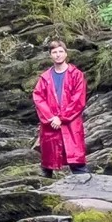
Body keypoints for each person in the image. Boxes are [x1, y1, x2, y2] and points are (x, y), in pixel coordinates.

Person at [33, 39, 87, 177]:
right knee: (48, 163)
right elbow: (39, 98)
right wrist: (51, 117)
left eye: (60, 51)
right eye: (54, 52)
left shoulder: (76, 75)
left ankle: (86, 189)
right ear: (50, 55)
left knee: (76, 161)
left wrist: (61, 117)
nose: (58, 55)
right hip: (50, 124)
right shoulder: (45, 78)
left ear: (66, 53)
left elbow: (78, 100)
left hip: (71, 122)